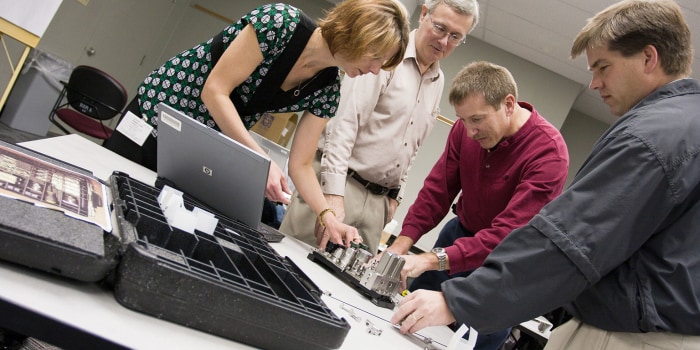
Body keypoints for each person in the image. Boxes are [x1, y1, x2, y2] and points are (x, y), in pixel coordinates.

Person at [391, 1, 700, 349]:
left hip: (624, 325)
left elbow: (570, 241)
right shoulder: (685, 123)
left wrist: (458, 299)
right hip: (652, 316)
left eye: (603, 67)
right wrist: (404, 242)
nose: (595, 84)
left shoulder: (648, 136)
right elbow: (437, 189)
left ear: (648, 57)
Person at [104, 0, 410, 247]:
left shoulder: (328, 90)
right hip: (158, 114)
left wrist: (328, 216)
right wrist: (261, 160)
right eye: (376, 57)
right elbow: (215, 91)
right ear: (356, 32)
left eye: (383, 65)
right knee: (109, 200)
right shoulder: (280, 23)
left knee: (148, 219)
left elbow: (301, 164)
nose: (374, 70)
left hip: (200, 145)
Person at [386, 60, 570, 349]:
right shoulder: (464, 130)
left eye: (477, 120)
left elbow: (506, 235)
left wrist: (427, 260)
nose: (470, 131)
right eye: (463, 120)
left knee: (470, 343)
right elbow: (438, 190)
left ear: (508, 104)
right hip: (458, 235)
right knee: (406, 320)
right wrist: (401, 246)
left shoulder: (549, 153)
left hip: (502, 265)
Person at [279, 0, 480, 253]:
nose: (443, 42)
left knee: (348, 286)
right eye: (440, 28)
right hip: (341, 184)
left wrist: (395, 197)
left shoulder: (437, 81)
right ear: (425, 14)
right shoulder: (386, 52)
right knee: (291, 263)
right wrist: (333, 195)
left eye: (455, 37)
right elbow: (344, 125)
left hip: (379, 205)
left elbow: (412, 145)